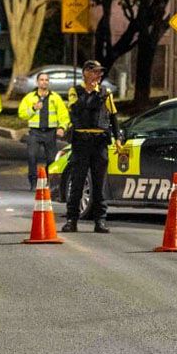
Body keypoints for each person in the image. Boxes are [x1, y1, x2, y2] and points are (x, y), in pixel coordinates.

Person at [63, 60, 122, 233]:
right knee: (78, 182)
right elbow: (77, 108)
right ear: (86, 73)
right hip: (81, 141)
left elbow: (113, 116)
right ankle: (71, 220)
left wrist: (117, 137)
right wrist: (92, 93)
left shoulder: (105, 92)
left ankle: (100, 221)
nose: (99, 75)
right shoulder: (76, 91)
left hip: (100, 142)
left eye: (100, 73)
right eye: (95, 72)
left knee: (99, 183)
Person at [18, 72, 70, 191]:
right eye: (41, 80)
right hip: (35, 132)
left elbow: (63, 115)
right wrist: (33, 108)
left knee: (51, 159)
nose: (44, 82)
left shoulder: (55, 98)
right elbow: (22, 114)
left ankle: (47, 181)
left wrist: (62, 127)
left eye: (46, 80)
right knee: (32, 156)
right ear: (37, 82)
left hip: (50, 132)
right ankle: (33, 181)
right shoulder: (30, 97)